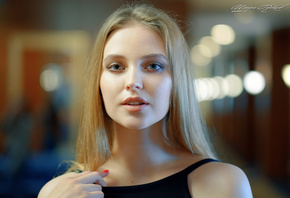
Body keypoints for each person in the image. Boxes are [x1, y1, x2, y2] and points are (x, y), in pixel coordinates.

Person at [38, 2, 252, 198]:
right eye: (116, 67)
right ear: (99, 82)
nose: (133, 82)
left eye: (153, 66)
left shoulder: (222, 184)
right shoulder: (58, 191)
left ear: (176, 82)